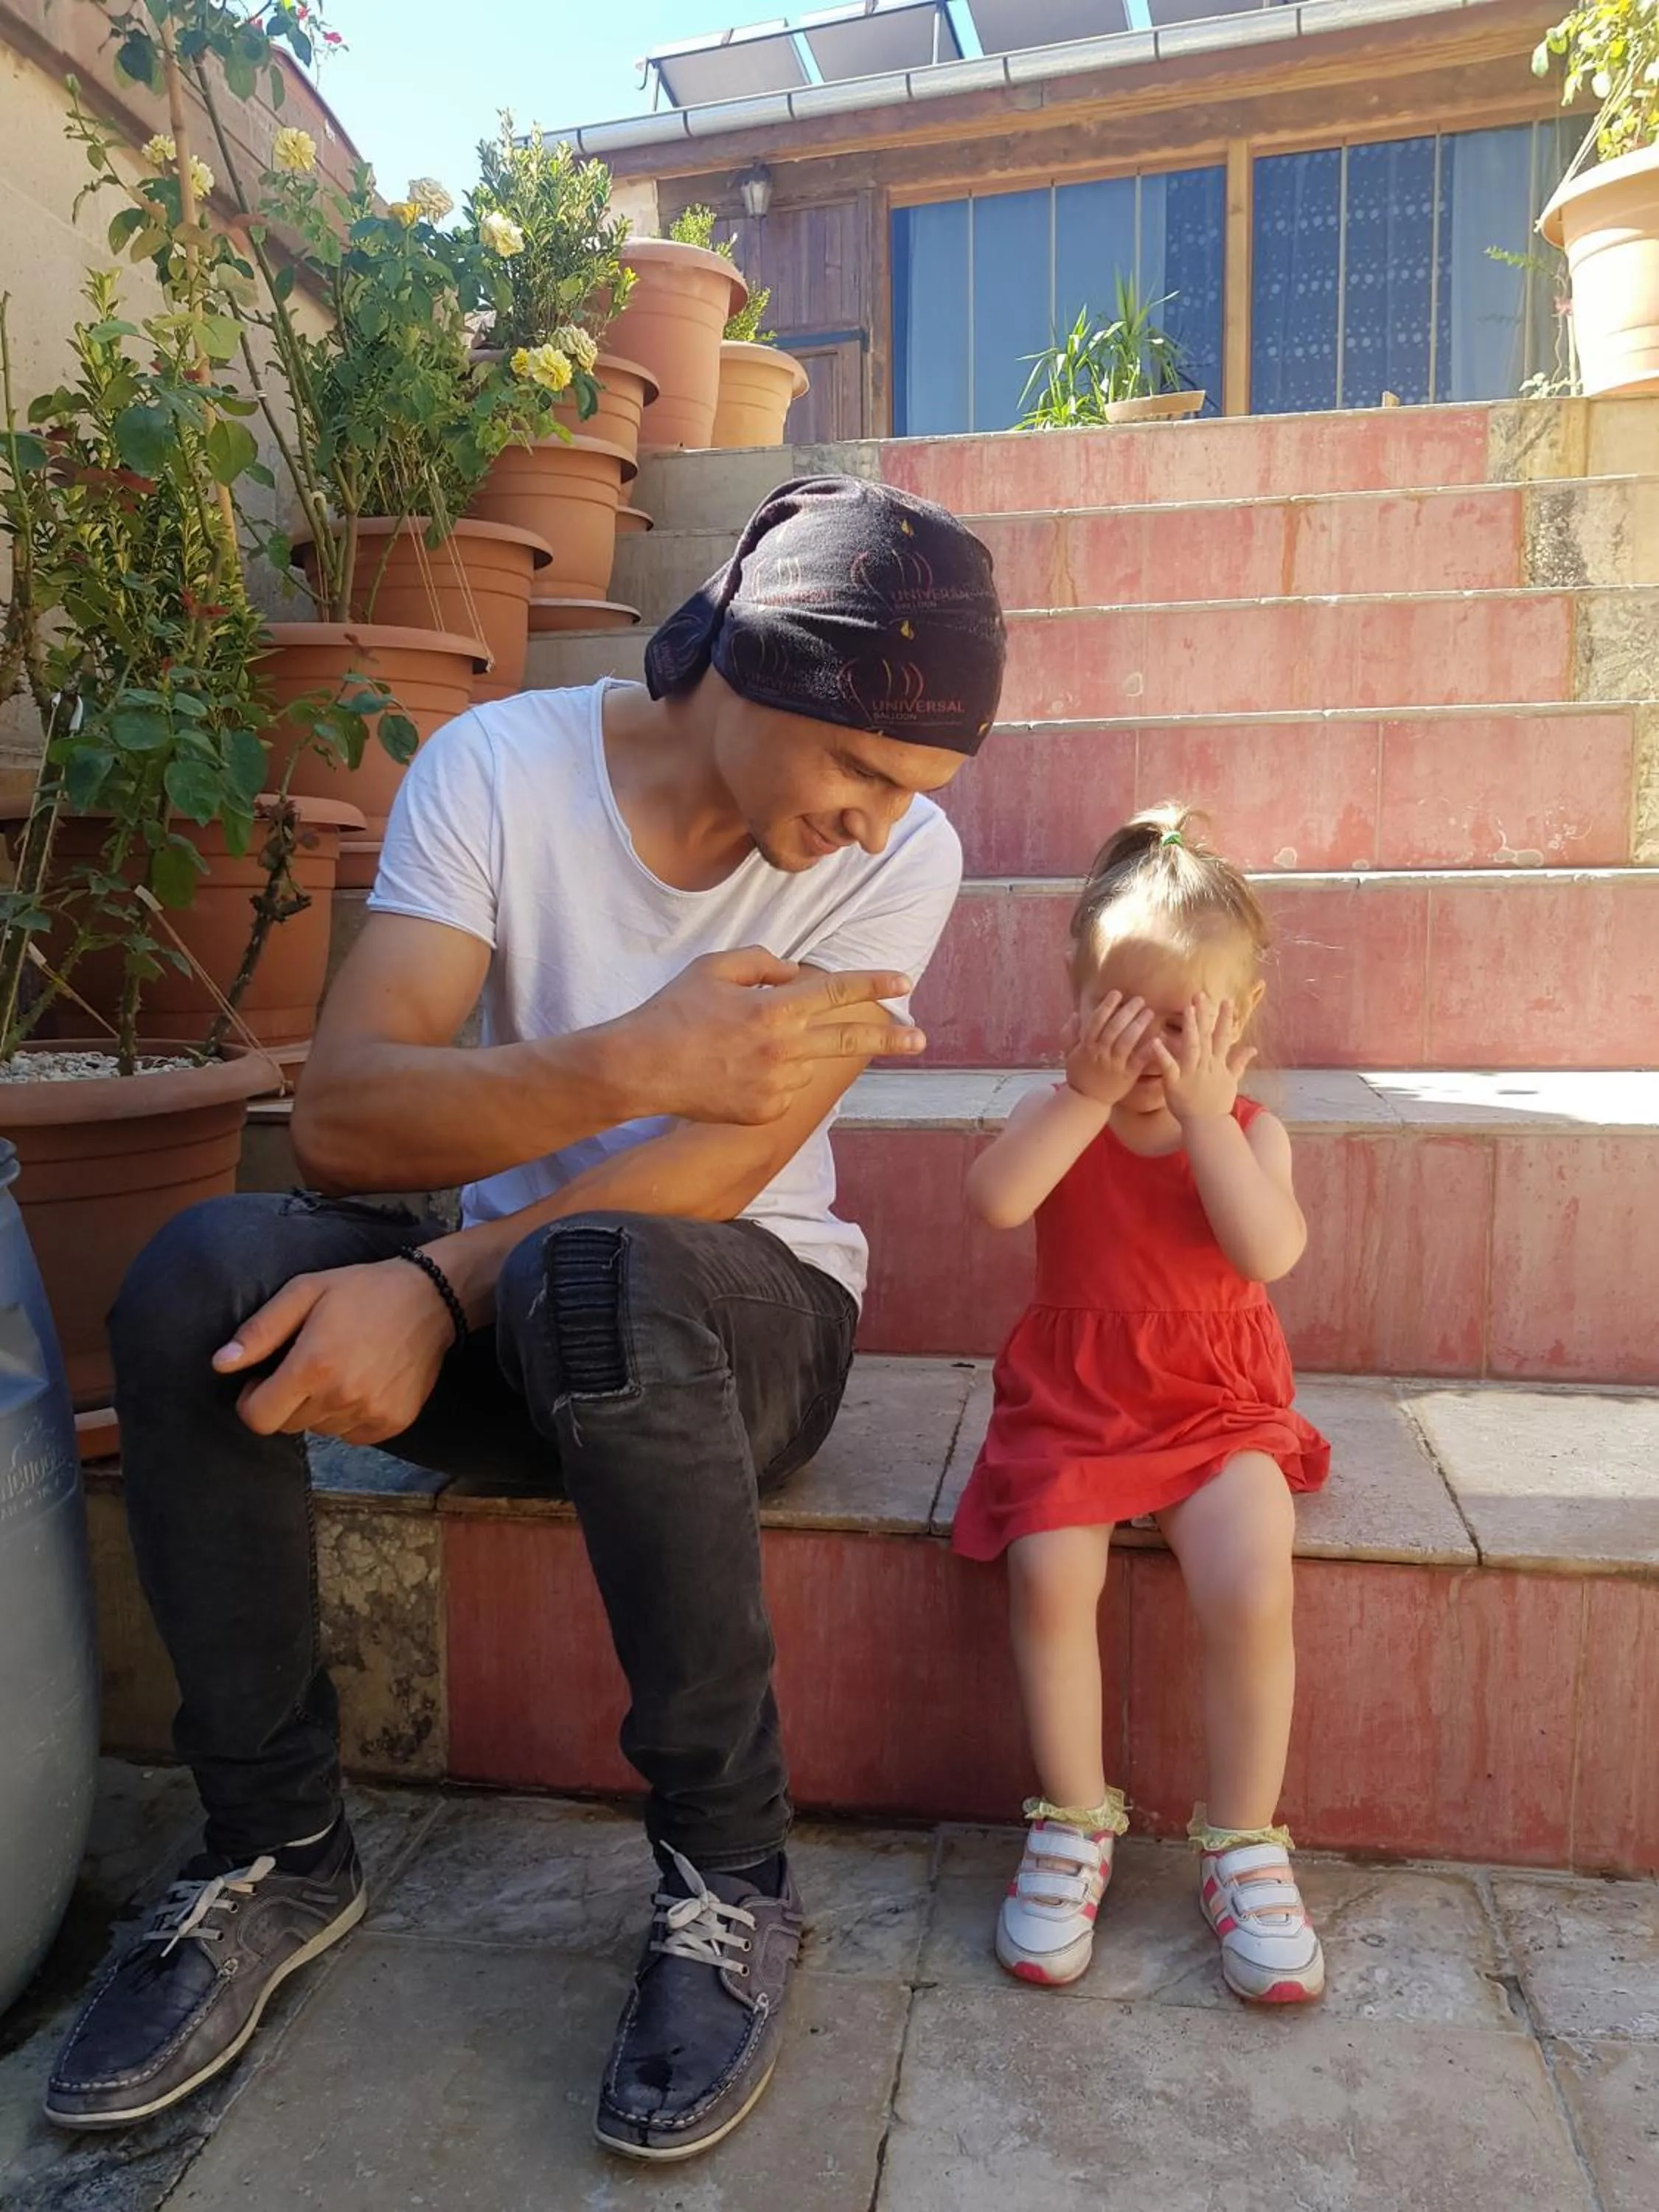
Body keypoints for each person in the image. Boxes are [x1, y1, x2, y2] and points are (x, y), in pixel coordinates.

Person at [46, 477, 1006, 2160]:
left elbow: (712, 1179)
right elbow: (344, 1117)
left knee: (602, 1269)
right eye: (859, 768)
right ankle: (273, 1846)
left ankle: (731, 1880)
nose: (877, 822)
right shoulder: (498, 766)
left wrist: (432, 1281)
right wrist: (629, 1060)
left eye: (908, 790)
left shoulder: (901, 861)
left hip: (737, 1319)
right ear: (755, 669)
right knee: (200, 1273)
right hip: (521, 1318)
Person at [953, 804, 1331, 2004]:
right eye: (1125, 1020)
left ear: (1241, 1023)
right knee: (1050, 1570)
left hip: (1215, 1405)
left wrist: (1213, 1121)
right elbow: (997, 1203)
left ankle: (1241, 1839)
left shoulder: (1251, 1132)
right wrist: (1075, 1096)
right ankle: (1072, 1821)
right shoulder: (1056, 1116)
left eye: (1183, 1026)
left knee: (1248, 1571)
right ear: (1078, 1007)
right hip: (1074, 1403)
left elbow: (1266, 1253)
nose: (1153, 1055)